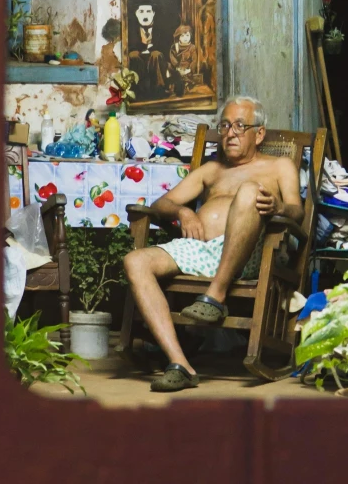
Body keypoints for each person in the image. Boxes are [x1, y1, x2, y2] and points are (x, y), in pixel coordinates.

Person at [124, 95, 303, 392]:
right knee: (135, 261)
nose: (230, 133)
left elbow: (297, 210)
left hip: (249, 252)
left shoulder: (279, 166)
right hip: (200, 249)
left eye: (240, 126)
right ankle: (180, 364)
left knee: (249, 191)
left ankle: (215, 297)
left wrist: (278, 207)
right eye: (225, 125)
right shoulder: (211, 170)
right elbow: (161, 203)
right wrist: (183, 211)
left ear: (259, 134)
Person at [128, 4, 169, 100]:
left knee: (156, 55)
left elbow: (164, 46)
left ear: (153, 13)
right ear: (136, 14)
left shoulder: (160, 29)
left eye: (148, 11)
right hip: (139, 57)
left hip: (155, 58)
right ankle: (139, 90)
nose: (145, 15)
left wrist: (149, 49)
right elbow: (131, 46)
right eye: (141, 12)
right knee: (133, 55)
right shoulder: (132, 29)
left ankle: (159, 89)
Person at [169, 24, 197, 96]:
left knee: (185, 79)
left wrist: (189, 69)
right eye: (182, 36)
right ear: (178, 37)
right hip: (177, 68)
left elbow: (194, 60)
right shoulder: (174, 47)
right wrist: (177, 67)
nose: (185, 38)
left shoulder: (192, 47)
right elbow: (172, 57)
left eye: (187, 35)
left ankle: (184, 86)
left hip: (187, 69)